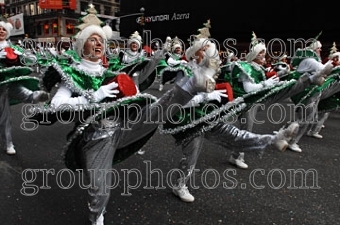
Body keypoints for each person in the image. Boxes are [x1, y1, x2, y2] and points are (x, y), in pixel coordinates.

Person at [32, 6, 218, 225]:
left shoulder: (112, 73)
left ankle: (191, 85)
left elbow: (137, 91)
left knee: (157, 110)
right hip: (95, 139)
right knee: (100, 192)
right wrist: (96, 95)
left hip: (123, 128)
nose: (99, 43)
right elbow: (57, 106)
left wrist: (139, 91)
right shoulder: (72, 75)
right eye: (93, 40)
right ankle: (96, 217)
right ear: (82, 46)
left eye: (101, 40)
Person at [158, 23, 300, 202]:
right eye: (205, 50)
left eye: (210, 50)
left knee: (234, 135)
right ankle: (180, 184)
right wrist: (206, 98)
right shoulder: (183, 71)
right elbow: (177, 105)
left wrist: (215, 95)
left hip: (207, 115)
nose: (210, 54)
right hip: (187, 120)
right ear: (195, 54)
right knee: (192, 155)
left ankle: (274, 139)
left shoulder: (209, 71)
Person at [220, 32, 327, 168]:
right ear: (254, 54)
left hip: (258, 99)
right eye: (261, 53)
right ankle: (236, 156)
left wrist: (280, 77)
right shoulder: (245, 67)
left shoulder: (258, 67)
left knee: (283, 90)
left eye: (264, 53)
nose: (264, 56)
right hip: (248, 103)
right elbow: (248, 89)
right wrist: (267, 84)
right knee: (247, 131)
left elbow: (265, 81)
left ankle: (310, 80)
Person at [0, 17, 49, 155]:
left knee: (20, 95)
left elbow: (31, 59)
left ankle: (36, 96)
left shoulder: (13, 46)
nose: (1, 31)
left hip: (11, 81)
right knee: (3, 115)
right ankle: (8, 143)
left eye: (4, 29)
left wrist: (23, 56)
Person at [287, 36, 334, 152]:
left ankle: (284, 136)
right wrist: (333, 62)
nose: (320, 51)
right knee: (305, 118)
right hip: (308, 93)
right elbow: (326, 70)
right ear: (314, 49)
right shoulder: (311, 61)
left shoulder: (310, 60)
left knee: (305, 117)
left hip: (311, 92)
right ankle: (292, 141)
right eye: (319, 48)